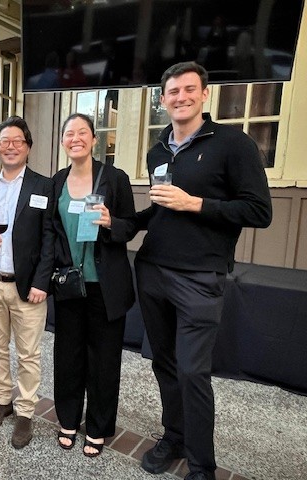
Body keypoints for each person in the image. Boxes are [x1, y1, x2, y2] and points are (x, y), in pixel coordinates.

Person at [135, 62, 272, 480]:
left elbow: (259, 211)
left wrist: (195, 203)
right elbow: (161, 211)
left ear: (205, 93)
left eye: (189, 89)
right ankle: (173, 436)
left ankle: (201, 465)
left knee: (193, 372)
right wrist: (121, 222)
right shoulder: (157, 150)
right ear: (163, 99)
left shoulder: (233, 144)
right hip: (153, 270)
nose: (181, 97)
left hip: (199, 277)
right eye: (173, 91)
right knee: (164, 364)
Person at [52, 113, 136, 457]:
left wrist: (112, 222)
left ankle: (98, 426)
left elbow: (131, 225)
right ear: (62, 142)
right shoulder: (57, 181)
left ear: (94, 139)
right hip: (69, 283)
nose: (76, 138)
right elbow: (51, 230)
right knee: (68, 356)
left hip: (105, 285)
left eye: (82, 132)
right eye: (69, 133)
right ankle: (68, 419)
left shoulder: (115, 178)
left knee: (103, 360)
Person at [0, 116, 54, 449]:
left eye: (18, 140)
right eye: (4, 141)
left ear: (28, 147)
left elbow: (50, 238)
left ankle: (25, 411)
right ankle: (2, 399)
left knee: (28, 354)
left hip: (28, 286)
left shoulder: (43, 186)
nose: (11, 146)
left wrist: (42, 282)